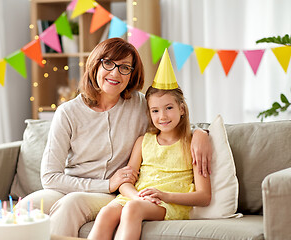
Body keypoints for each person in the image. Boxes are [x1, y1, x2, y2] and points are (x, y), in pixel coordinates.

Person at [19, 38, 212, 237]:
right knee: (27, 207)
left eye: (125, 67)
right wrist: (106, 183)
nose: (115, 73)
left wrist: (201, 134)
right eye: (108, 63)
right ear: (95, 65)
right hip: (78, 186)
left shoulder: (139, 105)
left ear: (132, 74)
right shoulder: (68, 112)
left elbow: (170, 124)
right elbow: (50, 177)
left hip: (114, 194)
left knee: (72, 204)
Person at [88, 50, 211, 240]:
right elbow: (125, 182)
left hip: (169, 202)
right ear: (149, 114)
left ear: (182, 109)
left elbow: (204, 196)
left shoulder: (192, 143)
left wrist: (164, 196)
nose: (162, 116)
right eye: (155, 110)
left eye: (169, 108)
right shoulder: (143, 141)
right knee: (106, 213)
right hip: (138, 198)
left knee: (132, 209)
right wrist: (137, 196)